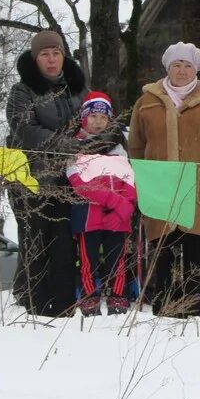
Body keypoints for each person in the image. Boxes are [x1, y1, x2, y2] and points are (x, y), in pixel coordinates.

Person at [7, 31, 121, 317]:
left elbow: (103, 126)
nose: (51, 59)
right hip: (34, 179)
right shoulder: (23, 91)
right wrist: (69, 145)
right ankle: (32, 305)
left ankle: (62, 306)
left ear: (63, 56)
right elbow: (25, 129)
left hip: (74, 180)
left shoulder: (79, 90)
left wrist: (92, 145)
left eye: (56, 53)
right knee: (36, 240)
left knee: (65, 244)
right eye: (45, 54)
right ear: (35, 59)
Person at [128, 42, 200, 319]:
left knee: (197, 253)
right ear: (168, 67)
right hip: (160, 188)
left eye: (188, 65)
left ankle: (198, 313)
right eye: (177, 64)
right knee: (164, 251)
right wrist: (146, 176)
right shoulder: (147, 102)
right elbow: (136, 145)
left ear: (195, 69)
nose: (182, 70)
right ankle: (166, 312)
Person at [66, 92, 137, 316]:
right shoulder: (74, 144)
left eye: (103, 117)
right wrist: (113, 200)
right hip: (88, 214)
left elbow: (128, 177)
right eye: (93, 115)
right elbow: (78, 182)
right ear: (84, 117)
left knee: (118, 259)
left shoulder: (118, 145)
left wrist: (127, 204)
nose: (98, 121)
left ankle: (118, 296)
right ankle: (90, 297)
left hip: (117, 215)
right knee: (88, 260)